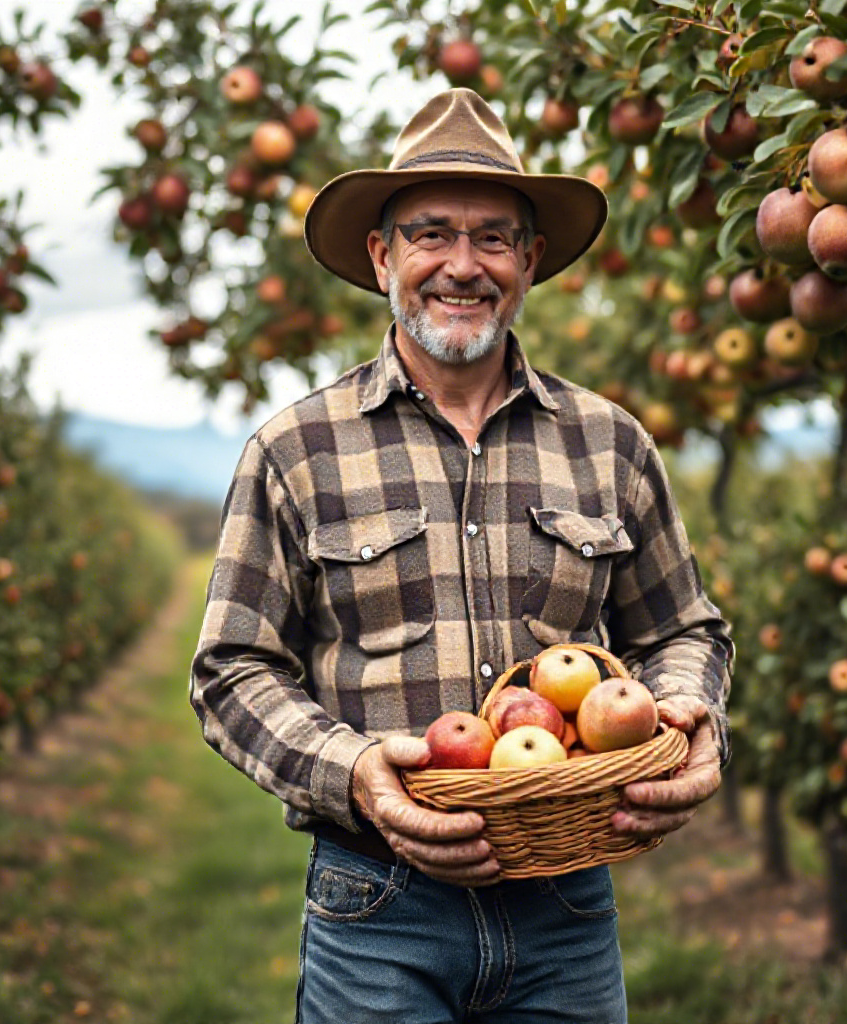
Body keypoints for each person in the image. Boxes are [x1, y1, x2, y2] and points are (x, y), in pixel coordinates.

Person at [190, 88, 734, 1024]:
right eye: (431, 233)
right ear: (383, 255)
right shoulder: (297, 448)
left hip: (566, 903)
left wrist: (693, 716)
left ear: (528, 261)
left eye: (493, 238)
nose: (461, 265)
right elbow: (232, 669)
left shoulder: (611, 444)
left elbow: (684, 628)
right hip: (379, 906)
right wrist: (354, 771)